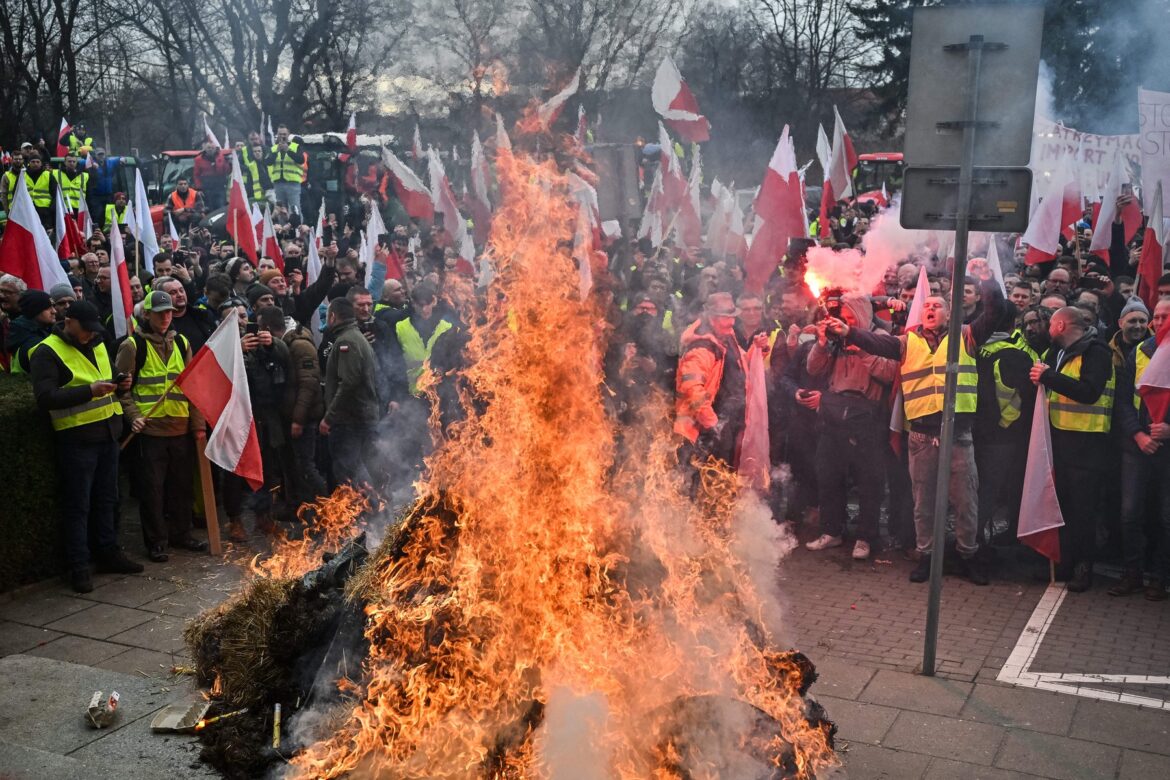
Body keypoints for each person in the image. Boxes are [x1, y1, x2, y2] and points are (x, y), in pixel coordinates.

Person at [828, 274, 1005, 585]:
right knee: (923, 502)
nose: (931, 309)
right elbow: (876, 342)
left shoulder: (967, 336)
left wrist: (986, 280)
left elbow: (996, 312)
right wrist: (849, 332)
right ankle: (927, 556)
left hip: (959, 436)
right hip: (922, 436)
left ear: (951, 314)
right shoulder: (907, 341)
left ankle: (968, 555)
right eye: (927, 306)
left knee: (966, 501)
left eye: (938, 305)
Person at [29, 301, 143, 592]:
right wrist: (88, 392)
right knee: (78, 505)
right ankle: (79, 565)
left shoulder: (98, 342)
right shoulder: (46, 351)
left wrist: (122, 382)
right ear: (69, 322)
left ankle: (108, 552)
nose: (92, 335)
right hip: (77, 440)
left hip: (108, 434)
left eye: (95, 331)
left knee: (108, 499)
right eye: (86, 330)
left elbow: (106, 377)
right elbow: (46, 398)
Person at [115, 291, 208, 562]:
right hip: (149, 432)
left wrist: (197, 426)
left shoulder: (181, 342)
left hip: (179, 429)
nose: (166, 317)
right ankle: (157, 541)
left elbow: (193, 389)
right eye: (160, 313)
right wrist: (133, 417)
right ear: (146, 314)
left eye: (169, 312)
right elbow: (121, 390)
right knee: (152, 490)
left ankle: (181, 533)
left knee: (181, 487)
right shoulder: (132, 346)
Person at [804, 293, 898, 560]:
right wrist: (822, 344)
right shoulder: (834, 339)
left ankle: (866, 537)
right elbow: (813, 369)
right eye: (841, 317)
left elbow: (889, 373)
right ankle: (832, 531)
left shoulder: (881, 337)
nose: (842, 323)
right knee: (828, 474)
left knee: (869, 480)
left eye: (848, 318)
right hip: (834, 414)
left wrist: (861, 348)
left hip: (868, 418)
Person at [1029, 306, 1115, 592]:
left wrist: (1048, 376)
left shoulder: (1097, 352)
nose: (1048, 330)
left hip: (1087, 445)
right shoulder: (1059, 352)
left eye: (1051, 324)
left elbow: (1089, 392)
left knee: (1083, 511)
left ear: (1062, 326)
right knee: (1062, 506)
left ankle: (1083, 568)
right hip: (1061, 440)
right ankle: (1063, 563)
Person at [1111, 299, 1170, 599]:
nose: (1158, 322)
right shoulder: (1140, 352)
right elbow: (1123, 400)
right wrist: (1137, 435)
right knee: (1129, 514)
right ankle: (1131, 574)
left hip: (1167, 451)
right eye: (1155, 316)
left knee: (1165, 517)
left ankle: (1159, 578)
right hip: (1137, 447)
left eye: (1165, 316)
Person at [674, 291, 769, 470]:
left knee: (722, 479)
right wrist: (712, 424)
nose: (732, 322)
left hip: (727, 423)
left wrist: (757, 349)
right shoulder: (702, 347)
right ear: (711, 318)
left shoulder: (727, 336)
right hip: (701, 431)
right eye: (726, 317)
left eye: (733, 317)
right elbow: (692, 388)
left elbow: (741, 364)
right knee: (699, 483)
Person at [320, 297, 380, 488]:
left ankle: (369, 512)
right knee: (357, 468)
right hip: (359, 416)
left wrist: (329, 417)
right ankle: (371, 511)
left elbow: (348, 383)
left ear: (332, 316)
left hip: (350, 420)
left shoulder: (347, 341)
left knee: (350, 472)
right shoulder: (355, 336)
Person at [6, 290, 55, 373]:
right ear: (34, 310)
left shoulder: (41, 330)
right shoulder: (32, 343)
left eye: (53, 306)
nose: (54, 311)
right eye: (47, 308)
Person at [268, 126, 307, 216]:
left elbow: (301, 160)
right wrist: (276, 151)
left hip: (292, 183)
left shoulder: (295, 146)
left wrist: (288, 150)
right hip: (278, 184)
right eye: (280, 134)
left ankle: (297, 228)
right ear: (277, 135)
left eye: (284, 134)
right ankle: (282, 229)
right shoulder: (273, 148)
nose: (282, 136)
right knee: (280, 210)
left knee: (295, 209)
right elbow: (268, 162)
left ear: (288, 135)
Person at [193, 141, 229, 211]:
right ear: (205, 149)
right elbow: (196, 175)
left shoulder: (221, 157)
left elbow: (227, 171)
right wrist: (199, 189)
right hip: (207, 189)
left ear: (215, 148)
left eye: (212, 147)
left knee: (221, 208)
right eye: (208, 147)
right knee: (209, 209)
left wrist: (228, 162)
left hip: (220, 187)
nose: (210, 149)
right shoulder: (198, 159)